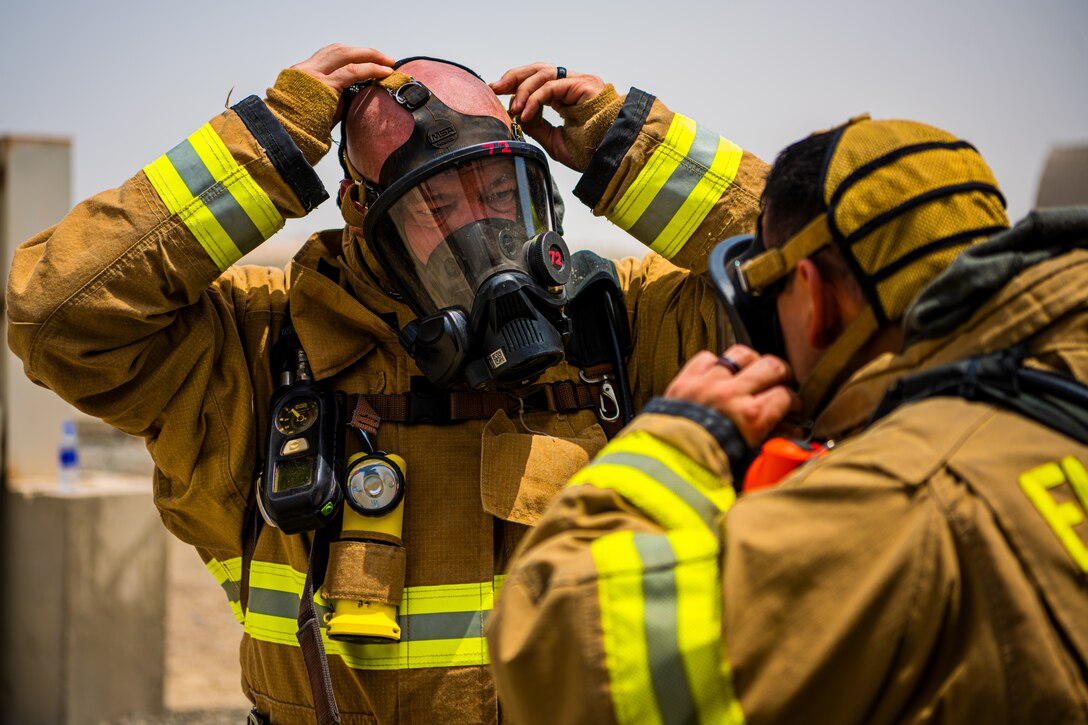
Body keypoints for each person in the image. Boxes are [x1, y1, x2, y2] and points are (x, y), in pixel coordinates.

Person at [5, 45, 771, 724]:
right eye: (436, 204)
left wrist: (629, 146)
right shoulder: (257, 350)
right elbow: (54, 315)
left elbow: (810, 277)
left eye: (499, 192)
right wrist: (267, 142)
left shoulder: (618, 326)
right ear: (361, 211)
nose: (481, 228)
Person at [486, 113, 1088, 723]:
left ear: (815, 295)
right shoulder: (1056, 395)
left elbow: (557, 648)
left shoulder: (902, 501)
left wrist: (675, 443)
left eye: (769, 295)